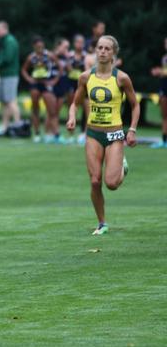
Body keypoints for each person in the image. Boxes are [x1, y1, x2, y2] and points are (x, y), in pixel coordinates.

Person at [66, 36, 139, 235]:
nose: (103, 51)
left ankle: (122, 166)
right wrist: (72, 117)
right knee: (95, 181)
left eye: (107, 48)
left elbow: (135, 105)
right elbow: (75, 102)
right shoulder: (85, 77)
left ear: (113, 53)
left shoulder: (121, 78)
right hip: (93, 133)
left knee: (112, 183)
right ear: (95, 51)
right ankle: (102, 223)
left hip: (115, 133)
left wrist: (131, 130)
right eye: (99, 48)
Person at [21, 36, 61, 143]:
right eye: (37, 46)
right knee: (35, 109)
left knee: (52, 110)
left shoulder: (49, 55)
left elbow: (60, 67)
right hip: (35, 84)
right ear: (34, 46)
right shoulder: (31, 57)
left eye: (41, 46)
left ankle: (56, 134)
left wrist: (54, 80)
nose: (40, 48)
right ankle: (37, 133)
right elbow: (24, 70)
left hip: (46, 83)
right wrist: (29, 79)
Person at [0, 21, 21, 135]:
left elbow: (7, 58)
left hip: (10, 74)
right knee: (5, 101)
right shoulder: (4, 41)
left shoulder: (10, 41)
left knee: (11, 100)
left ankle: (18, 124)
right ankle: (5, 126)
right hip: (4, 74)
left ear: (5, 29)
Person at [67, 34, 88, 145]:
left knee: (86, 109)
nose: (80, 44)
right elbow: (67, 69)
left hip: (84, 84)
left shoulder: (86, 56)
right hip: (72, 83)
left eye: (82, 42)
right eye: (78, 42)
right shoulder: (70, 55)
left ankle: (85, 133)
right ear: (74, 43)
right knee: (72, 108)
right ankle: (70, 134)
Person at [53, 38, 72, 143]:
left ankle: (57, 134)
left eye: (67, 48)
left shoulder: (65, 57)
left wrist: (67, 58)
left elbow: (69, 70)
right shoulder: (52, 56)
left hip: (63, 83)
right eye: (65, 47)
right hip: (53, 84)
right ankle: (54, 134)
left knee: (57, 110)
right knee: (53, 111)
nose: (66, 49)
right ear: (58, 46)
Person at [150, 37, 167, 148]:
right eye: (165, 42)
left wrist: (160, 71)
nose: (165, 44)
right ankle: (164, 141)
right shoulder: (164, 58)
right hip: (164, 88)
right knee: (164, 116)